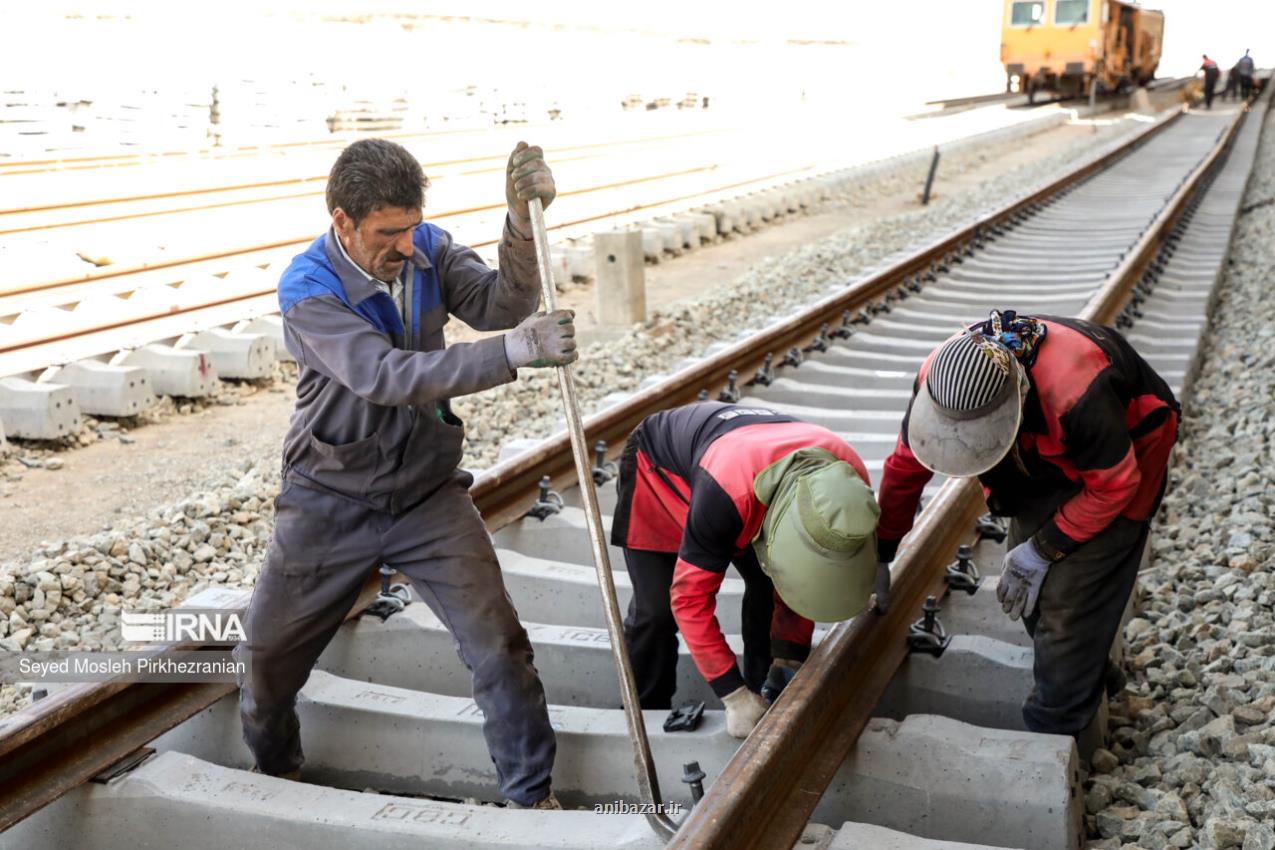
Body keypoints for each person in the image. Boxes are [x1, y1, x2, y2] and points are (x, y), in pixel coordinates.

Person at [232, 138, 576, 809]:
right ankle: (278, 771)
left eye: (412, 227)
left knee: (499, 645)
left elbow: (499, 307)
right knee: (267, 661)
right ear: (342, 222)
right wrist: (511, 354)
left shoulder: (429, 248)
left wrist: (517, 224)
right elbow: (382, 376)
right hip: (327, 497)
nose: (406, 245)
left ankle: (531, 797)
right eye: (389, 233)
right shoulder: (308, 289)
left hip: (425, 493)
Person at [875, 311, 1179, 739]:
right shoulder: (938, 380)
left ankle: (1056, 735)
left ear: (1015, 405)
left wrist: (1043, 550)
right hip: (1042, 459)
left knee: (1068, 604)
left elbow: (1114, 486)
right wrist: (882, 549)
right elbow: (906, 468)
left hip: (1123, 459)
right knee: (1029, 597)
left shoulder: (1078, 393)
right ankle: (1086, 671)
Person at [610, 402, 885, 737]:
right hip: (658, 468)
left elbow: (804, 573)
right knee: (655, 611)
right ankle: (644, 715)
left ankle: (765, 686)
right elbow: (689, 599)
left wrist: (788, 657)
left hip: (747, 462)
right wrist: (733, 695)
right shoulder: (726, 496)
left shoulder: (848, 480)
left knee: (769, 583)